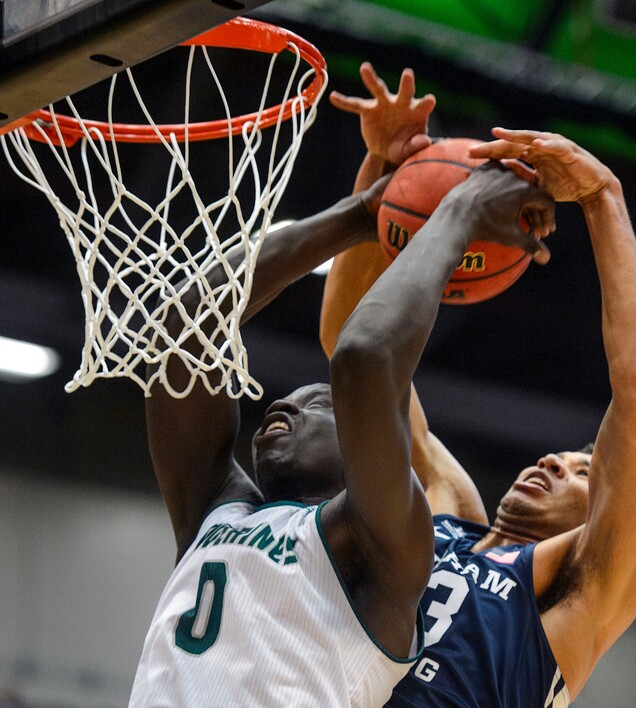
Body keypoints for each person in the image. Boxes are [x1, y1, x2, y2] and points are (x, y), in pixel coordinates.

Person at [127, 76, 553, 706]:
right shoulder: (213, 509)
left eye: (315, 404)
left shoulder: (381, 543)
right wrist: (362, 212)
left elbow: (363, 359)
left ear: (365, 443)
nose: (283, 406)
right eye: (288, 402)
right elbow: (182, 330)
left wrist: (462, 211)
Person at [322, 63, 636, 707]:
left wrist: (603, 197)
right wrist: (386, 178)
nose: (551, 462)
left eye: (579, 471)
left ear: (615, 515)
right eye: (562, 456)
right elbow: (351, 347)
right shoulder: (445, 511)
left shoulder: (581, 589)